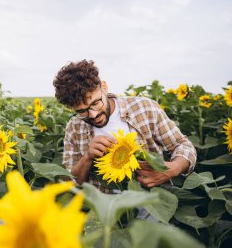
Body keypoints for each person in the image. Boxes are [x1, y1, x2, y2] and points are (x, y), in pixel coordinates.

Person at [53, 59, 196, 192]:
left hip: (153, 205)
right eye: (81, 111)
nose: (93, 115)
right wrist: (88, 157)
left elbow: (183, 145)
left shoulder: (144, 108)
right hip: (108, 212)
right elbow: (70, 183)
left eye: (96, 103)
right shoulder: (74, 128)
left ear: (104, 87)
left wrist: (174, 168)